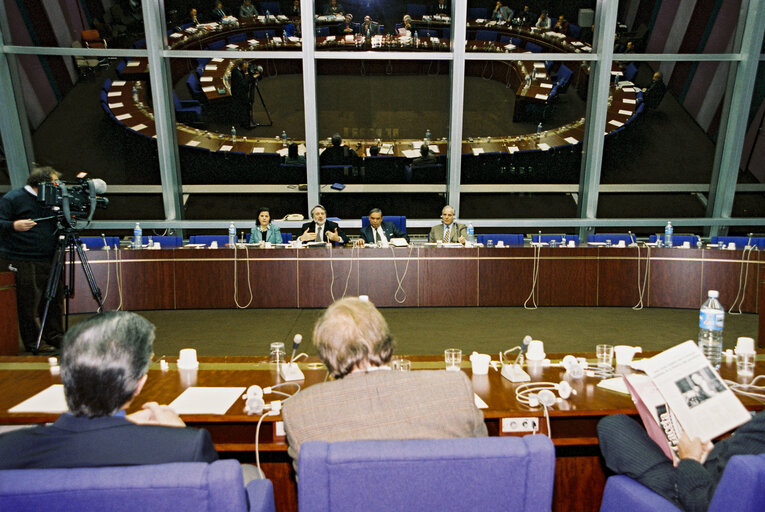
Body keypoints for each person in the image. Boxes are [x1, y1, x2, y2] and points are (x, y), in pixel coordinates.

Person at [281, 297, 487, 467]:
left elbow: (311, 490)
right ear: (385, 339)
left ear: (326, 355)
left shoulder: (300, 413)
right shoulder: (454, 389)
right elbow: (484, 463)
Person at [0, 311, 219, 468]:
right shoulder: (187, 445)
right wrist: (175, 433)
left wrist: (125, 424)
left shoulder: (8, 449)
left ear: (66, 378)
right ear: (139, 384)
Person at [597, 412, 765, 511]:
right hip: (709, 468)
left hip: (691, 491)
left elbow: (702, 504)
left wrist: (689, 461)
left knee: (613, 426)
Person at [0, 166, 64, 354]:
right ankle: (35, 342)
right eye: (53, 183)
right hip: (21, 259)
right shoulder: (13, 198)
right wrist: (14, 225)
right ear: (41, 185)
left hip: (49, 258)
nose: (57, 186)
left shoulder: (52, 200)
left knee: (54, 300)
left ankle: (55, 336)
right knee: (28, 303)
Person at [230, 60, 253, 128]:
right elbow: (244, 83)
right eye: (245, 68)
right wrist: (251, 78)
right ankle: (246, 124)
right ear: (241, 67)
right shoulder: (237, 74)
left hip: (237, 92)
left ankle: (244, 122)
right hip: (239, 94)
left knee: (242, 108)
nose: (246, 69)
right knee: (244, 108)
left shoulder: (235, 69)